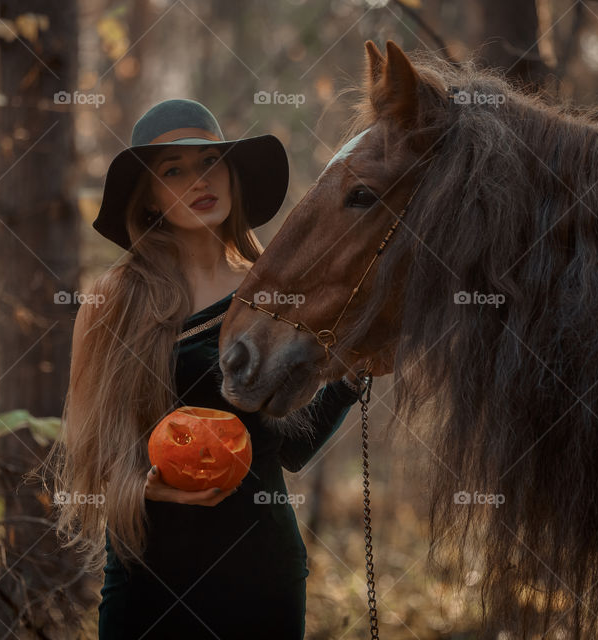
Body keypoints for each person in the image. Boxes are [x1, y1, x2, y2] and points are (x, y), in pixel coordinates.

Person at [51, 99, 366, 639]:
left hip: (263, 573)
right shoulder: (114, 299)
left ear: (232, 173)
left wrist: (353, 375)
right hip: (149, 576)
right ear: (148, 196)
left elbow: (288, 448)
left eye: (209, 161)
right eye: (173, 170)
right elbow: (91, 457)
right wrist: (145, 486)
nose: (199, 180)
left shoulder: (273, 292)